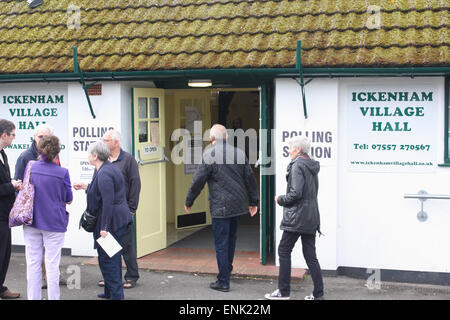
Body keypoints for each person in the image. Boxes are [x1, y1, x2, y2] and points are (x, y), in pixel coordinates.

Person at [185, 124, 258, 292]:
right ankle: (227, 269)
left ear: (211, 139)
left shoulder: (209, 154)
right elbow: (250, 179)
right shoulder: (239, 153)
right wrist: (253, 202)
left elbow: (198, 181)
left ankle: (223, 280)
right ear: (226, 137)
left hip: (220, 206)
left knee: (221, 243)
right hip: (238, 205)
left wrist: (189, 200)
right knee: (231, 239)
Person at [74, 130, 141, 289]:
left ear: (116, 142)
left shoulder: (128, 160)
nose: (103, 142)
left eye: (106, 139)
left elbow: (135, 184)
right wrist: (86, 187)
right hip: (108, 212)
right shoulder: (102, 164)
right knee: (108, 250)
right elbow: (100, 190)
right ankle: (112, 279)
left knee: (125, 247)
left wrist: (132, 208)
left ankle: (131, 276)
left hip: (120, 213)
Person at [265, 136, 324, 300]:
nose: (288, 150)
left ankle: (283, 292)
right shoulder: (311, 165)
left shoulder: (298, 165)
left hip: (297, 218)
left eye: (290, 147)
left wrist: (280, 199)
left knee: (283, 250)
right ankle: (318, 294)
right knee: (310, 255)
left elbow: (296, 194)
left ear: (298, 149)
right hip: (311, 216)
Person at [22, 135, 73, 300]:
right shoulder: (63, 172)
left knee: (33, 264)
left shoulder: (31, 166)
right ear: (57, 151)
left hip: (32, 221)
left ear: (39, 149)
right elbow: (69, 199)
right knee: (52, 265)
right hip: (54, 223)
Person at [83, 141, 132, 300]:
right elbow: (100, 193)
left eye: (89, 153)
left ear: (95, 156)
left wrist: (104, 227)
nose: (88, 156)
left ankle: (116, 296)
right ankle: (110, 292)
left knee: (108, 260)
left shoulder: (104, 173)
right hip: (116, 220)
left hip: (110, 223)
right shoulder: (106, 168)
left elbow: (107, 202)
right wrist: (86, 187)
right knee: (111, 258)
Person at [0, 119, 22, 299]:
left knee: (5, 254)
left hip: (4, 213)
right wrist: (11, 186)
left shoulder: (3, 155)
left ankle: (0, 287)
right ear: (4, 135)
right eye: (13, 135)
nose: (14, 138)